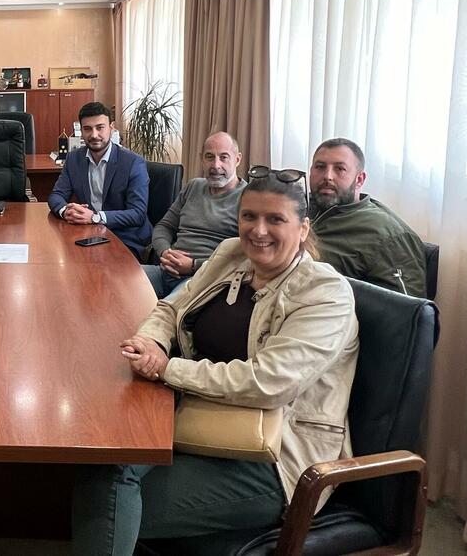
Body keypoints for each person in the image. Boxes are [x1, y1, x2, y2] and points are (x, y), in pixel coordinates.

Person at [72, 167, 359, 555]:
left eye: (275, 219)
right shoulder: (231, 253)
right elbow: (171, 308)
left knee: (104, 494)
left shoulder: (326, 293)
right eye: (249, 216)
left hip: (273, 458)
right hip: (199, 412)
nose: (258, 230)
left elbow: (268, 382)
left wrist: (167, 368)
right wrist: (150, 341)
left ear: (303, 228)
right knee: (102, 455)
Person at [309, 137, 426, 297]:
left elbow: (407, 308)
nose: (327, 176)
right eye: (320, 167)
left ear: (359, 180)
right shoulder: (297, 209)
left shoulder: (389, 236)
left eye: (340, 169)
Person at [144, 131, 246, 297]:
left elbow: (243, 257)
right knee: (115, 280)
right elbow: (164, 226)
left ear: (237, 159)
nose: (216, 165)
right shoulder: (193, 186)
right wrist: (165, 252)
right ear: (201, 159)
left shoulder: (248, 198)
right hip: (166, 270)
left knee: (164, 310)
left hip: (204, 280)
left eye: (224, 157)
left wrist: (193, 265)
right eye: (209, 157)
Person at [48, 102, 151, 253]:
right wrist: (66, 211)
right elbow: (57, 195)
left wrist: (95, 217)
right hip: (90, 234)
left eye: (100, 127)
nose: (94, 135)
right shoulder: (74, 159)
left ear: (111, 127)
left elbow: (137, 214)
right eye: (87, 129)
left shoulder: (133, 163)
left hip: (125, 237)